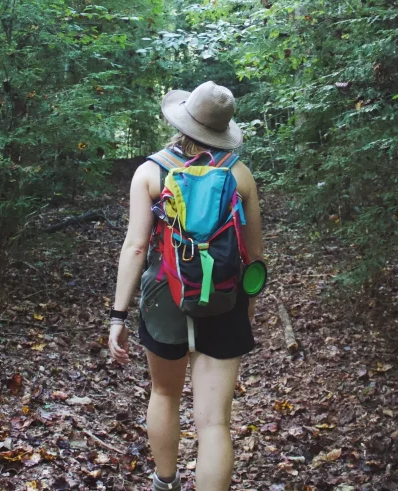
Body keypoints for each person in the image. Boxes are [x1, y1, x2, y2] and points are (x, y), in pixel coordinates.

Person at [108, 81, 264, 491]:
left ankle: (165, 483)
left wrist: (118, 315)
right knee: (214, 422)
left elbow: (137, 245)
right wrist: (248, 304)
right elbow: (255, 255)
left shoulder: (150, 172)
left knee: (164, 395)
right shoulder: (239, 174)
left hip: (165, 298)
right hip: (225, 298)